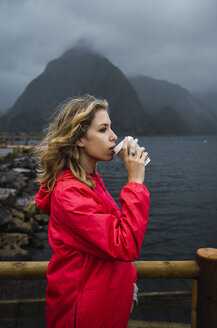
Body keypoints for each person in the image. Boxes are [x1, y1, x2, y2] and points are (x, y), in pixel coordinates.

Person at [35, 95, 150, 328]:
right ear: (79, 139)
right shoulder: (68, 194)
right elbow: (124, 243)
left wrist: (131, 286)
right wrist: (135, 182)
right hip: (83, 315)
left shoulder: (90, 181)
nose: (114, 136)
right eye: (103, 129)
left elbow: (110, 242)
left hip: (104, 307)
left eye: (111, 127)